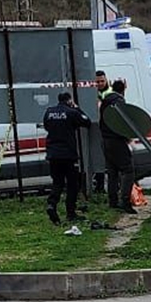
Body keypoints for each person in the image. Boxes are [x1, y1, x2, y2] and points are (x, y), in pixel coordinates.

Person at [43, 92, 92, 225]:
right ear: (69, 100)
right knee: (72, 184)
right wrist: (76, 108)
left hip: (53, 154)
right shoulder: (71, 112)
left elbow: (47, 126)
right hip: (68, 155)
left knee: (57, 182)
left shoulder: (49, 112)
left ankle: (51, 204)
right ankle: (71, 212)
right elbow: (87, 121)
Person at [100, 80, 137, 214]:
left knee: (112, 172)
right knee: (128, 170)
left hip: (105, 140)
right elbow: (121, 122)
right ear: (124, 88)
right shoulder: (119, 101)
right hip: (116, 140)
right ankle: (125, 202)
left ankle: (113, 201)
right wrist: (127, 137)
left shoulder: (106, 100)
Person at [91, 70, 112, 193]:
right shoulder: (91, 93)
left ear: (106, 80)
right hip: (97, 130)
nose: (100, 83)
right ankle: (99, 185)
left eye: (102, 81)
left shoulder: (110, 92)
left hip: (108, 130)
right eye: (97, 81)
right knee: (98, 158)